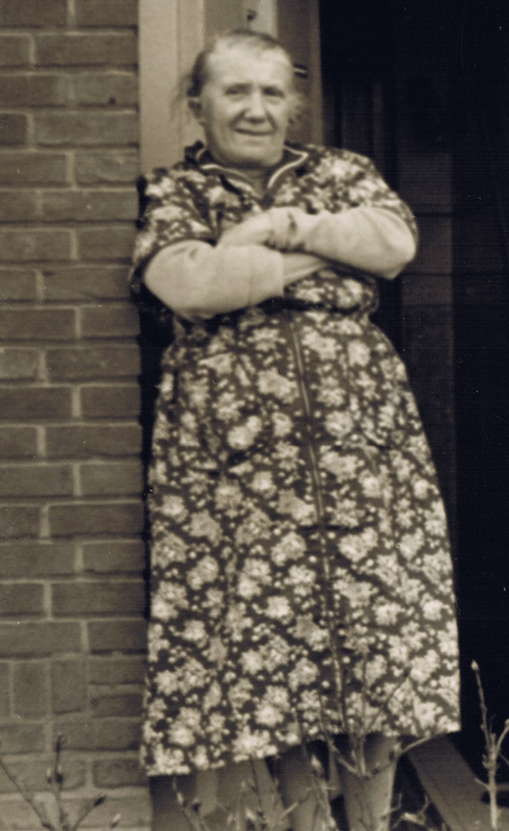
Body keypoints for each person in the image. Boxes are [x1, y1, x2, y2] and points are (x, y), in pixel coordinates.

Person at [130, 29, 460, 831]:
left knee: (374, 633)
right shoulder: (173, 191)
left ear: (294, 104)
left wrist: (275, 229)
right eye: (235, 91)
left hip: (361, 448)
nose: (255, 109)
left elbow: (393, 243)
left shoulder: (342, 171)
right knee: (272, 641)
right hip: (236, 460)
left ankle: (369, 820)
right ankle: (305, 824)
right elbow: (192, 286)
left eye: (272, 92)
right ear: (197, 103)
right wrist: (331, 248)